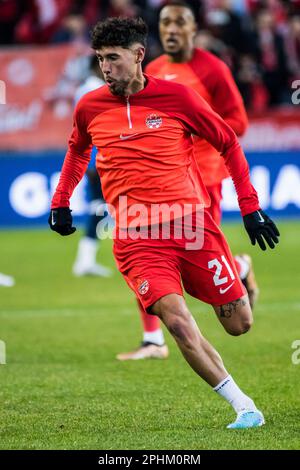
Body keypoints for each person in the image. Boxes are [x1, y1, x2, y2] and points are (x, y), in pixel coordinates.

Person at [49, 17, 280, 429]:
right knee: (176, 321)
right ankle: (244, 405)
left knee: (239, 325)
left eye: (113, 59)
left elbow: (228, 141)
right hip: (135, 236)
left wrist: (250, 208)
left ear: (139, 56)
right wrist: (60, 200)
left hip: (192, 227)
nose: (105, 68)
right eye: (100, 59)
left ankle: (239, 268)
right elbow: (77, 152)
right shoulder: (90, 107)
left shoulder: (179, 98)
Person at [117, 0, 258, 361]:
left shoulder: (212, 70)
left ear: (194, 29)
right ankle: (153, 340)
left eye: (180, 23)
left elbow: (236, 124)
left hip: (203, 181)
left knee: (197, 259)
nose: (172, 30)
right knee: (144, 249)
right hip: (161, 182)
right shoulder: (154, 69)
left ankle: (238, 267)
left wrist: (190, 130)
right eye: (166, 24)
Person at [72, 55, 112, 278]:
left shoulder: (84, 89)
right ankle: (84, 261)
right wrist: (93, 160)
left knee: (100, 206)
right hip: (99, 157)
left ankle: (85, 260)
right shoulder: (95, 89)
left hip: (94, 156)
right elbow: (93, 129)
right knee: (100, 206)